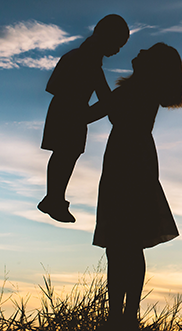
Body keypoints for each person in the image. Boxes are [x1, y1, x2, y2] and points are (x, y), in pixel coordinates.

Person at [85, 42, 182, 329]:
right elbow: (106, 111)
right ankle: (125, 316)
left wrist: (94, 79)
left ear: (152, 66)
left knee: (121, 242)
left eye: (147, 53)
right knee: (127, 242)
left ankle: (120, 317)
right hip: (134, 160)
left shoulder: (137, 90)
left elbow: (103, 113)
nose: (140, 52)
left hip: (126, 162)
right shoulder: (141, 91)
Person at [38, 14, 130, 223]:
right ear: (104, 36)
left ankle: (54, 197)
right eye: (117, 44)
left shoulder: (84, 58)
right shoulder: (84, 58)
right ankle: (54, 198)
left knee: (66, 155)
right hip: (68, 111)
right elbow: (98, 91)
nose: (117, 51)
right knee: (65, 154)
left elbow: (55, 85)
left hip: (69, 111)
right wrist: (107, 104)